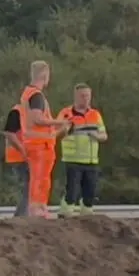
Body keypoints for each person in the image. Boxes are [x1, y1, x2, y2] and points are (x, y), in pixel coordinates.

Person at [17, 60, 63, 219]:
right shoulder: (36, 95)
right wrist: (60, 122)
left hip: (37, 143)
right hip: (39, 145)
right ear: (45, 75)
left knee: (41, 178)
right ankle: (36, 208)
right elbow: (38, 119)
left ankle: (40, 207)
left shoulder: (28, 93)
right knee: (40, 178)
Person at [56, 83, 108, 214]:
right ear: (76, 96)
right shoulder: (66, 113)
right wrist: (66, 129)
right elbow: (55, 133)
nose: (85, 99)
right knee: (72, 191)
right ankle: (65, 213)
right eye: (82, 96)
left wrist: (96, 136)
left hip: (91, 160)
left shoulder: (95, 114)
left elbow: (104, 135)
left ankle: (87, 213)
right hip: (72, 159)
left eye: (88, 96)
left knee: (90, 192)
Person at [1, 105, 28, 218]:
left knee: (29, 189)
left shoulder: (28, 112)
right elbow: (9, 133)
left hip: (25, 157)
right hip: (20, 157)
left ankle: (23, 216)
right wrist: (23, 151)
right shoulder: (18, 112)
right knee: (29, 189)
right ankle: (21, 217)